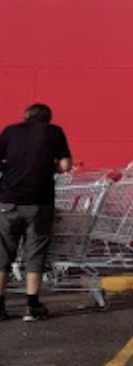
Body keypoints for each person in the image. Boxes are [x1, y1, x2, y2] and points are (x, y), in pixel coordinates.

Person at [0, 104, 72, 322]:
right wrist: (49, 167)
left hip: (8, 200)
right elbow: (65, 165)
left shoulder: (10, 131)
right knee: (36, 252)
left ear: (26, 116)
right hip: (40, 202)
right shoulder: (54, 132)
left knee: (2, 253)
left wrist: (10, 169)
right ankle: (32, 306)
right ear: (48, 118)